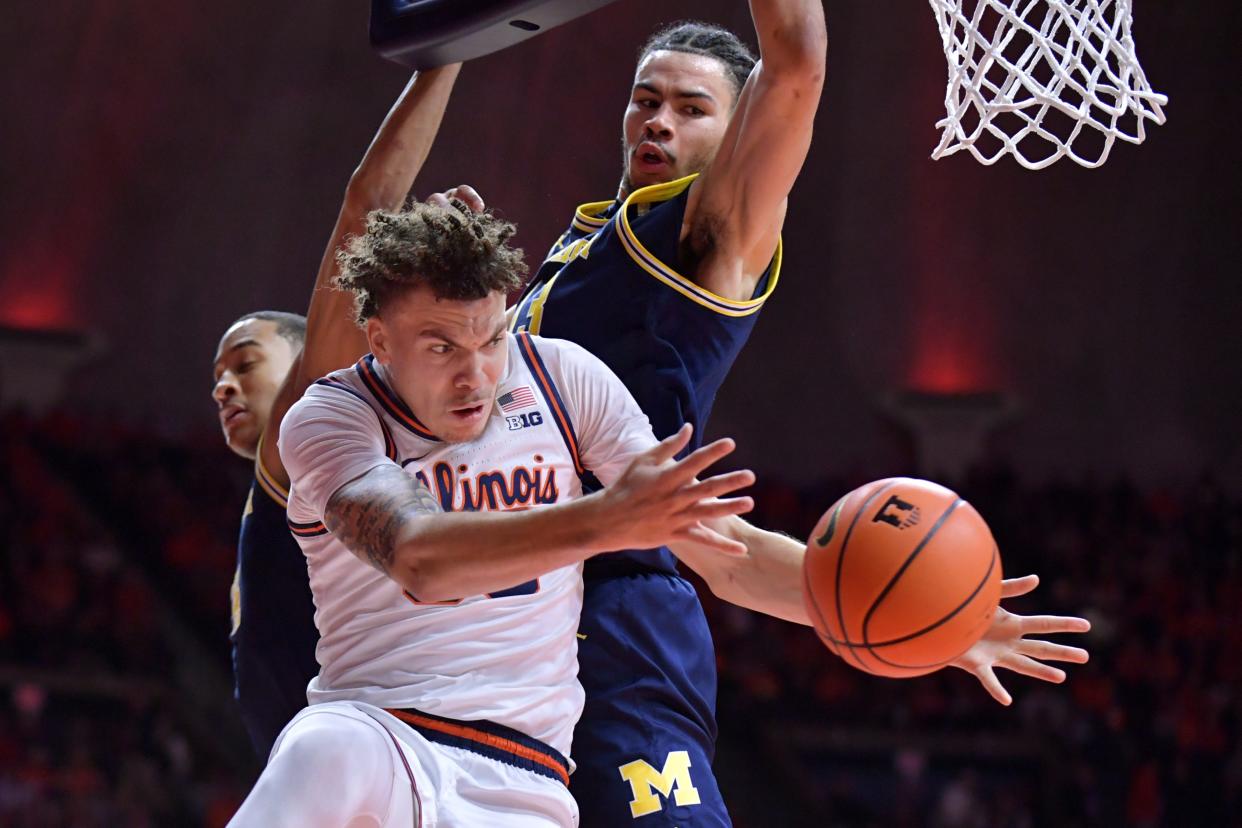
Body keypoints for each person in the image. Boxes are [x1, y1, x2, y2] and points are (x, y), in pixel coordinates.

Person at [499, 7, 1088, 824]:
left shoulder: (704, 237)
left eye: (692, 108)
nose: (659, 120)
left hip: (610, 628)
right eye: (646, 99)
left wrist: (928, 618)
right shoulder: (577, 254)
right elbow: (722, 555)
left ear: (739, 132)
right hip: (504, 614)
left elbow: (796, 62)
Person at [228, 199, 757, 826]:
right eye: (441, 348)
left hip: (521, 777)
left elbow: (728, 556)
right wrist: (607, 519)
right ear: (380, 340)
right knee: (325, 748)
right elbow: (419, 557)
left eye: (491, 339)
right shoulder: (330, 417)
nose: (474, 375)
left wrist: (827, 589)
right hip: (384, 738)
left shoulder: (562, 378)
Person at [211, 64, 464, 759]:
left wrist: (442, 55)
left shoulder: (308, 433)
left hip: (359, 770)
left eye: (244, 364)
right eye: (217, 377)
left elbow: (364, 209)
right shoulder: (319, 477)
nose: (224, 387)